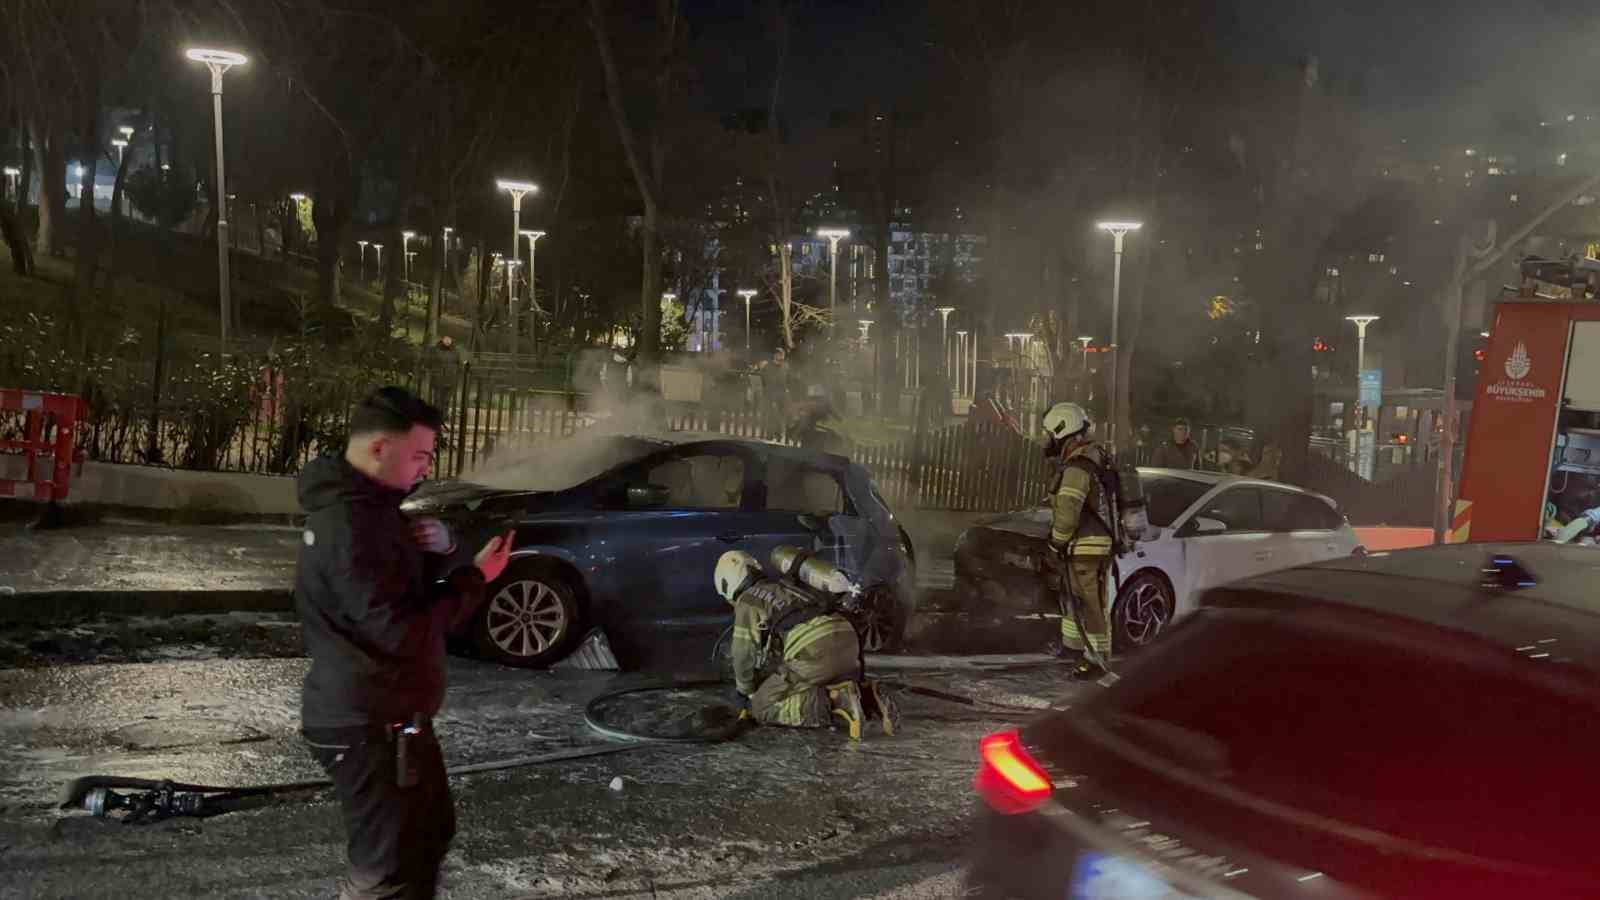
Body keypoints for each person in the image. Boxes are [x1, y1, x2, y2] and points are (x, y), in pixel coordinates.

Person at [295, 386, 514, 899]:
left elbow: (394, 592)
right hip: (367, 725)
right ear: (378, 448)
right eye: (418, 456)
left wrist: (443, 552)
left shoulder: (373, 509)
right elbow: (400, 629)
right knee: (389, 872)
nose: (424, 469)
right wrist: (476, 578)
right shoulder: (350, 524)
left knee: (428, 838)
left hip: (391, 716)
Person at [717, 549, 893, 739]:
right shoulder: (784, 586)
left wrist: (746, 691)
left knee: (762, 706)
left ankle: (838, 703)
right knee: (806, 683)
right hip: (849, 642)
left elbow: (744, 652)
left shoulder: (747, 600)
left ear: (728, 587)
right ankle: (865, 696)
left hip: (816, 652)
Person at [1039, 401, 1116, 681]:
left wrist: (1054, 544)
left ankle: (1097, 660)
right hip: (1084, 545)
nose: (1046, 440)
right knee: (1076, 600)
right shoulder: (1088, 460)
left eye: (1049, 434)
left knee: (1092, 604)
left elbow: (1068, 515)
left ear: (1063, 430)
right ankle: (1073, 648)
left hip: (1088, 545)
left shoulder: (1078, 467)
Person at [759, 347, 790, 436]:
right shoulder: (768, 366)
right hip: (770, 393)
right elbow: (763, 379)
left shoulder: (785, 366)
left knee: (780, 414)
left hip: (782, 393)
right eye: (779, 354)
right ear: (775, 355)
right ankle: (771, 433)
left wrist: (787, 390)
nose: (781, 357)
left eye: (782, 355)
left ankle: (778, 433)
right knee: (772, 413)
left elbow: (787, 379)